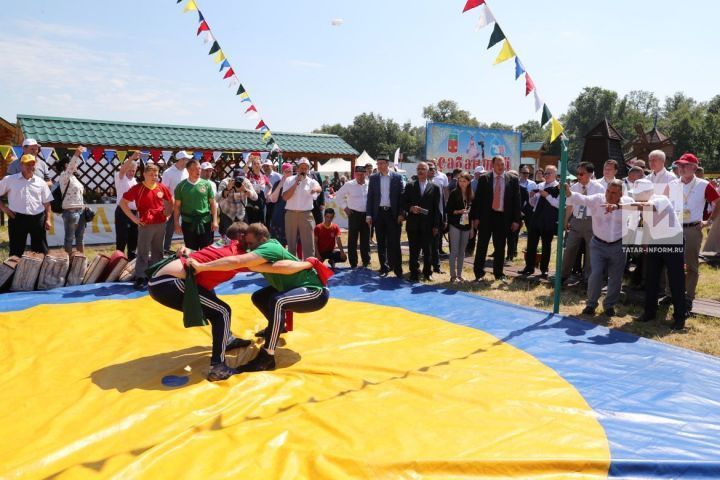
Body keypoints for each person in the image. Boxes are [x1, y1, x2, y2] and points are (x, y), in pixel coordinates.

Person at [148, 222, 317, 381]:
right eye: (249, 242)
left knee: (211, 299)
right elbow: (262, 264)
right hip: (169, 283)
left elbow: (205, 254)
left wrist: (187, 252)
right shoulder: (238, 252)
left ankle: (226, 339)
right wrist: (306, 264)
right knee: (222, 311)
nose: (252, 247)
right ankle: (217, 367)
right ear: (242, 238)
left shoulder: (223, 244)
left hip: (161, 282)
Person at [188, 223, 330, 373]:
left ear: (261, 239)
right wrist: (190, 253)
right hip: (294, 287)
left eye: (250, 243)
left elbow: (237, 262)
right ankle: (278, 326)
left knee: (278, 301)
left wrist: (202, 267)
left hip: (315, 292)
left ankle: (267, 357)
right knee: (259, 297)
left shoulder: (268, 248)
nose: (248, 247)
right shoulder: (265, 249)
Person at [565, 180, 633, 317]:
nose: (609, 195)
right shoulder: (597, 199)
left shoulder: (628, 202)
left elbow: (639, 215)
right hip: (598, 245)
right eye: (608, 191)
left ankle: (609, 306)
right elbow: (582, 198)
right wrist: (569, 192)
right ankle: (591, 304)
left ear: (621, 193)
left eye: (614, 193)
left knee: (615, 277)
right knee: (595, 274)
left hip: (619, 245)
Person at [627, 179, 687, 330]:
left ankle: (680, 317)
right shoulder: (641, 204)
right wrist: (645, 242)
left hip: (673, 241)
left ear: (648, 192)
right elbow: (645, 223)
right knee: (651, 278)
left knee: (676, 280)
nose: (636, 197)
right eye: (635, 194)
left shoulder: (661, 199)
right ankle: (649, 312)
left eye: (638, 194)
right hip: (655, 242)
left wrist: (623, 206)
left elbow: (651, 208)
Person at [674, 153, 720, 311]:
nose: (681, 168)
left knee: (691, 265)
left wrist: (710, 221)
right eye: (679, 165)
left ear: (694, 167)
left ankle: (689, 297)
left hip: (692, 228)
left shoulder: (703, 184)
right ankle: (671, 293)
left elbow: (717, 201)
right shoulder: (673, 183)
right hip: (674, 228)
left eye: (685, 165)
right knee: (672, 263)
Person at [120, 163, 173, 290]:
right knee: (143, 251)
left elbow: (171, 200)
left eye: (156, 174)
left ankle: (155, 275)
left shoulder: (161, 187)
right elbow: (123, 203)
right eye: (151, 175)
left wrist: (168, 215)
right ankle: (140, 277)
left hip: (160, 223)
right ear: (144, 175)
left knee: (158, 251)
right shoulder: (138, 188)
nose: (154, 177)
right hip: (145, 224)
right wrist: (134, 219)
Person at [470, 155, 521, 281]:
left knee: (500, 246)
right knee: (482, 245)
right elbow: (478, 200)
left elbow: (517, 201)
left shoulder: (513, 179)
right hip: (486, 217)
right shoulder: (484, 179)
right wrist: (476, 217)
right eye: (498, 164)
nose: (500, 166)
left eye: (502, 164)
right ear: (492, 165)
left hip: (503, 217)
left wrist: (516, 220)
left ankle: (498, 273)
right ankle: (479, 273)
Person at [0, 154, 53, 257]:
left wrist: (48, 219)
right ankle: (13, 272)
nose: (30, 166)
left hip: (38, 219)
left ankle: (39, 273)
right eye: (27, 164)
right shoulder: (10, 179)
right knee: (16, 250)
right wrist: (4, 209)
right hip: (17, 218)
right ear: (21, 165)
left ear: (35, 165)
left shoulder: (41, 182)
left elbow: (47, 202)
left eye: (32, 164)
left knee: (40, 251)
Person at [561, 162, 605, 284]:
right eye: (577, 173)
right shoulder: (574, 187)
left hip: (592, 222)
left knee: (591, 252)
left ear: (590, 174)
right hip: (576, 221)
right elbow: (570, 205)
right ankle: (563, 275)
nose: (578, 176)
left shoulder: (599, 188)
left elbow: (600, 207)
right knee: (569, 248)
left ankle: (588, 279)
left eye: (581, 173)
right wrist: (566, 220)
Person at [366, 154, 405, 278]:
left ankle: (397, 269)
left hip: (393, 214)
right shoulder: (373, 178)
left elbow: (402, 198)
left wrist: (401, 214)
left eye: (381, 163)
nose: (379, 166)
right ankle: (384, 267)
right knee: (381, 242)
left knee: (394, 242)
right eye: (378, 164)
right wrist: (369, 215)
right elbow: (370, 198)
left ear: (387, 164)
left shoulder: (397, 177)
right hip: (379, 213)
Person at [403, 162, 442, 282]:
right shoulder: (410, 186)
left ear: (428, 170)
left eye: (423, 169)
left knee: (428, 251)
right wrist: (411, 208)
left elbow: (436, 208)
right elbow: (403, 202)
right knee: (413, 251)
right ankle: (414, 273)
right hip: (413, 225)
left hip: (428, 225)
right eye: (418, 169)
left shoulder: (435, 187)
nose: (420, 171)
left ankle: (427, 273)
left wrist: (436, 225)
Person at [521, 165, 560, 279]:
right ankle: (529, 267)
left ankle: (544, 270)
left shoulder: (558, 187)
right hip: (536, 217)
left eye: (549, 173)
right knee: (531, 243)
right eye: (546, 173)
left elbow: (559, 204)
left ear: (555, 175)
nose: (547, 175)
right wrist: (531, 197)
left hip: (548, 220)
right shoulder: (540, 185)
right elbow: (533, 203)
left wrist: (547, 196)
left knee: (546, 245)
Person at [173, 159, 219, 250]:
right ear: (188, 170)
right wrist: (176, 223)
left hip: (205, 222)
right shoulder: (181, 186)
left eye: (199, 168)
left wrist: (214, 221)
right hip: (188, 223)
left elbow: (213, 204)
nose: (198, 171)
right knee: (190, 250)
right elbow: (177, 206)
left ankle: (204, 264)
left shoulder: (207, 184)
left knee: (206, 250)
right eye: (195, 168)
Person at [283, 158, 322, 259]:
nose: (303, 170)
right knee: (291, 243)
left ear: (308, 170)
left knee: (309, 243)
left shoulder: (312, 181)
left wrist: (316, 189)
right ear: (297, 169)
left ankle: (309, 267)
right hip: (291, 214)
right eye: (301, 168)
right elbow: (285, 197)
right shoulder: (289, 180)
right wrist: (296, 183)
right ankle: (292, 266)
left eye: (305, 168)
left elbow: (319, 188)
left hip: (306, 214)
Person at [335, 164, 370, 268]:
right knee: (352, 240)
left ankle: (366, 261)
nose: (360, 176)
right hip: (354, 214)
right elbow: (338, 196)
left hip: (366, 215)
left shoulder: (369, 184)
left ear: (366, 174)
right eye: (358, 174)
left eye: (362, 174)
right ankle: (353, 263)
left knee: (365, 239)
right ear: (355, 174)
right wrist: (345, 207)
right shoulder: (349, 184)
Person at [57, 147, 88, 255]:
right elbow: (71, 167)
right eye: (74, 163)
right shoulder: (64, 176)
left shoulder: (74, 178)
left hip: (81, 211)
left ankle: (81, 261)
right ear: (67, 165)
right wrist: (77, 154)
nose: (76, 165)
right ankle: (68, 262)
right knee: (69, 238)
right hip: (70, 212)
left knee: (80, 238)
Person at [446, 171, 474, 283]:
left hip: (467, 225)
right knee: (454, 250)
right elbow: (448, 210)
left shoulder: (471, 194)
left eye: (464, 181)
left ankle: (459, 275)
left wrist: (472, 229)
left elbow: (473, 213)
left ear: (468, 182)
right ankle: (453, 276)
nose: (462, 183)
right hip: (455, 224)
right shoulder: (454, 193)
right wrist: (458, 211)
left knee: (462, 252)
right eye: (460, 181)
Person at [160, 151, 190, 252]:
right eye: (186, 159)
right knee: (169, 229)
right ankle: (165, 249)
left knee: (187, 226)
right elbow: (164, 190)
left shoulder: (187, 171)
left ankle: (188, 248)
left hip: (186, 204)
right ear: (181, 160)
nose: (188, 161)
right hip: (172, 205)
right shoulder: (168, 172)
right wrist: (168, 206)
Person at [115, 153, 140, 259]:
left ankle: (131, 260)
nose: (131, 173)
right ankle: (117, 261)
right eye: (129, 170)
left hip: (134, 213)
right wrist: (132, 158)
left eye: (133, 171)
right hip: (122, 212)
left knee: (133, 239)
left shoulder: (134, 181)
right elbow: (123, 170)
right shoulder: (120, 177)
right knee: (122, 239)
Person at [217, 167, 256, 235]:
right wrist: (227, 189)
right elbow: (216, 198)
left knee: (244, 235)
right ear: (232, 177)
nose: (239, 181)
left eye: (241, 179)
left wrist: (245, 190)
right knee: (227, 236)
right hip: (227, 213)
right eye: (237, 179)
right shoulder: (225, 182)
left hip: (241, 213)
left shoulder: (246, 182)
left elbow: (255, 197)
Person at [268, 162, 293, 246]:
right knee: (279, 241)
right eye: (286, 171)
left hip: (291, 212)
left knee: (292, 240)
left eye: (290, 171)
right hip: (279, 213)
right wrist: (281, 184)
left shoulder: (295, 183)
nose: (288, 173)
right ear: (282, 172)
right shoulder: (277, 183)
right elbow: (273, 199)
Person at [245, 154, 269, 225]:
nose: (256, 165)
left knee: (261, 221)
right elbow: (243, 172)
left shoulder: (263, 176)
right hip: (250, 201)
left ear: (261, 165)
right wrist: (249, 162)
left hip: (261, 201)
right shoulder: (249, 175)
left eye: (258, 163)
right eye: (254, 164)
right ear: (252, 166)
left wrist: (269, 194)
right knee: (251, 221)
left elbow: (271, 187)